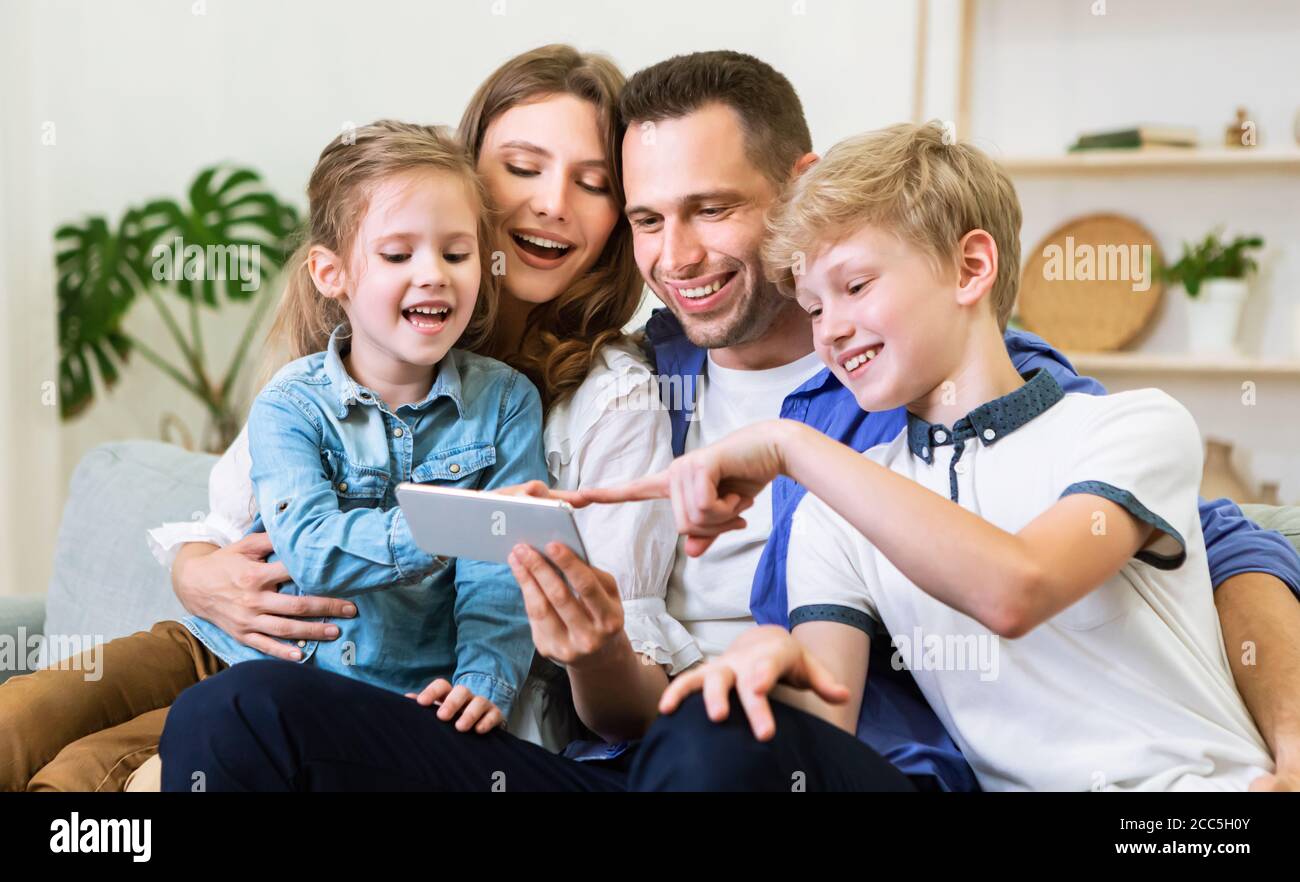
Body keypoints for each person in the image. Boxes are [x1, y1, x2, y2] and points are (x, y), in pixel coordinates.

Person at [160, 50, 1300, 792]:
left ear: (798, 193)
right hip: (614, 755)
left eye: (709, 209)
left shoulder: (918, 388)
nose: (677, 256)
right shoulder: (609, 379)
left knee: (717, 739)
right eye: (649, 218)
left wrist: (1289, 746)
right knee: (237, 716)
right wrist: (198, 566)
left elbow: (1218, 540)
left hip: (776, 764)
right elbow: (273, 495)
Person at [581, 122, 1275, 790]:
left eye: (855, 287)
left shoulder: (1129, 427)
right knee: (710, 730)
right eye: (815, 308)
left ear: (971, 268)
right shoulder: (837, 509)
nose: (832, 332)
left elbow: (1016, 589)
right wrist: (762, 664)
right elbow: (829, 718)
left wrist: (790, 444)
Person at [1, 120, 546, 791]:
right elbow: (312, 549)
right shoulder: (290, 403)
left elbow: (499, 576)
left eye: (456, 254)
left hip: (324, 692)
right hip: (217, 646)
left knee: (79, 779)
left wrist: (483, 679)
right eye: (398, 255)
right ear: (331, 273)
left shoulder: (507, 404)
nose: (433, 275)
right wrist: (462, 523)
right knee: (16, 721)